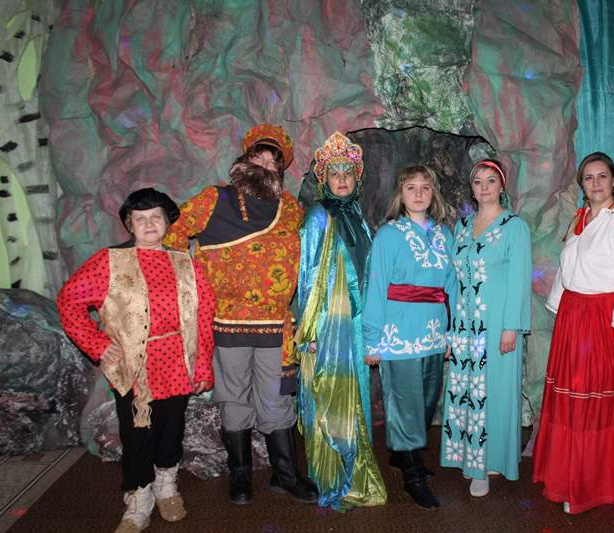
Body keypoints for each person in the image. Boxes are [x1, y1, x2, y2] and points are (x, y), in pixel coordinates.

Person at [163, 124, 317, 506]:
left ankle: (285, 475)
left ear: (280, 170)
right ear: (244, 161)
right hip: (228, 323)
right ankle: (240, 475)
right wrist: (190, 286)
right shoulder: (215, 199)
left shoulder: (291, 209)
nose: (265, 164)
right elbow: (174, 233)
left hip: (276, 325)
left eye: (273, 160)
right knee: (233, 399)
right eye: (258, 156)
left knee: (276, 398)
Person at [57, 188, 216, 533]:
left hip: (178, 361)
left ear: (167, 222)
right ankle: (139, 498)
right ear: (129, 224)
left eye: (156, 216)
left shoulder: (186, 263)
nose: (149, 224)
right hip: (134, 366)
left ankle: (167, 487)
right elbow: (69, 301)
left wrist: (202, 364)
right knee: (137, 433)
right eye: (140, 219)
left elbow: (204, 316)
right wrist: (97, 344)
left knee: (171, 427)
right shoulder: (108, 262)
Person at [532, 151, 614, 514]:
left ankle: (585, 487)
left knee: (590, 402)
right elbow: (569, 269)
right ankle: (563, 477)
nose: (596, 183)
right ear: (582, 185)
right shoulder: (580, 218)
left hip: (602, 318)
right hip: (573, 316)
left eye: (602, 176)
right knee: (569, 399)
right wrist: (563, 312)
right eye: (589, 177)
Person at [294, 131, 387, 511]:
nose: (342, 179)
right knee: (332, 399)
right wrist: (310, 330)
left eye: (348, 172)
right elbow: (308, 275)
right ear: (325, 181)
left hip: (357, 322)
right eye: (335, 174)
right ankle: (334, 477)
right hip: (330, 326)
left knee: (357, 397)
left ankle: (356, 474)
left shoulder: (358, 215)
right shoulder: (318, 217)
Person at [362, 164, 456, 509]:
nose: (418, 193)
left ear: (433, 194)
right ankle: (413, 475)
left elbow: (452, 286)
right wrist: (372, 339)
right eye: (411, 187)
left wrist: (451, 332)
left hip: (433, 333)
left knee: (427, 401)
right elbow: (376, 287)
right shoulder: (388, 235)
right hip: (397, 334)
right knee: (405, 405)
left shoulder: (444, 235)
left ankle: (403, 454)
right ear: (400, 195)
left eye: (425, 187)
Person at [440, 159, 532, 497]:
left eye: (491, 180)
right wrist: (451, 329)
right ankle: (468, 456)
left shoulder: (514, 227)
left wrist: (512, 327)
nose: (484, 187)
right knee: (466, 389)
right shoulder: (462, 226)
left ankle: (488, 463)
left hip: (496, 326)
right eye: (478, 181)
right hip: (465, 325)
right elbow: (454, 281)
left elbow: (520, 279)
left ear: (501, 185)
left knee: (494, 391)